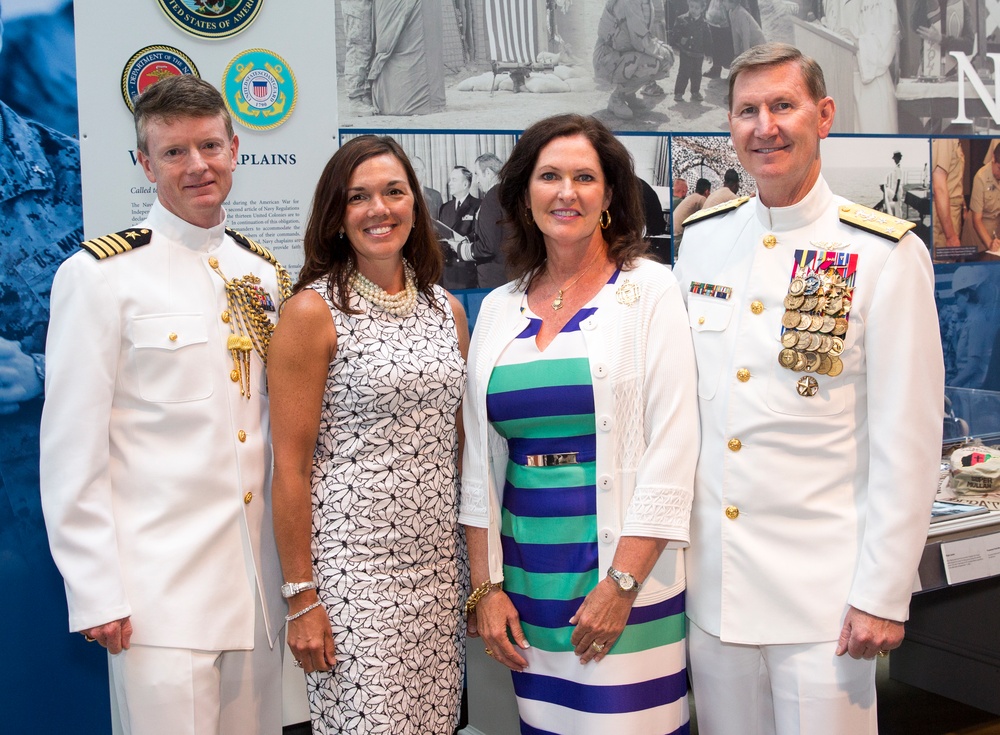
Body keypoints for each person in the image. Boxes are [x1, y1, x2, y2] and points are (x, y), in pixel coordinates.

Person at [674, 43, 944, 734]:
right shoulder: (702, 243)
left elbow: (906, 442)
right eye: (747, 110)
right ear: (731, 127)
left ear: (823, 115)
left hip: (824, 603)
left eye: (783, 105)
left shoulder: (883, 253)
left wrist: (884, 593)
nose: (765, 125)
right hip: (717, 595)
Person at [39, 74, 290, 734]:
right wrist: (97, 588)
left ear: (235, 149)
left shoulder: (262, 275)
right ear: (145, 164)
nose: (197, 165)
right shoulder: (100, 277)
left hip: (259, 595)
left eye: (209, 145)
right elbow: (71, 450)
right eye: (174, 152)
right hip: (158, 600)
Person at [460, 113, 699, 734]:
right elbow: (479, 465)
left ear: (609, 195)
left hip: (624, 578)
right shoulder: (497, 308)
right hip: (527, 586)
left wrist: (621, 584)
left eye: (584, 177)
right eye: (550, 176)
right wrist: (486, 588)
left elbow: (675, 444)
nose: (566, 192)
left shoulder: (649, 290)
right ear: (523, 193)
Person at [268, 134, 469, 734]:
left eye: (393, 192)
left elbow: (455, 449)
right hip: (352, 578)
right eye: (358, 197)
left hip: (436, 572)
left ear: (415, 204)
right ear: (336, 214)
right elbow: (291, 468)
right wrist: (302, 595)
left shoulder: (446, 310)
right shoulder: (311, 313)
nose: (379, 209)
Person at [593, 0, 675, 119]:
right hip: (606, 58)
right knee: (656, 63)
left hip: (623, 52)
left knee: (662, 59)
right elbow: (639, 40)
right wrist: (663, 52)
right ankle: (617, 98)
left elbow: (647, 34)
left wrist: (663, 50)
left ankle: (629, 94)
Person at [470, 151, 509, 289]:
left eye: (477, 174)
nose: (477, 181)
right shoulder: (509, 194)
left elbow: (488, 247)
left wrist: (462, 249)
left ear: (488, 173)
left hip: (493, 280)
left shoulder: (492, 196)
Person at [439, 165, 481, 290]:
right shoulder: (444, 208)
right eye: (450, 179)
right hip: (447, 269)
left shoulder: (478, 205)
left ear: (465, 184)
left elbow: (479, 233)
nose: (450, 183)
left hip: (467, 269)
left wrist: (463, 240)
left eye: (454, 180)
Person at [668, 0, 711, 102]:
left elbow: (708, 40)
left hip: (699, 54)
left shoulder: (704, 24)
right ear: (688, 5)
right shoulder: (681, 19)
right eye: (691, 6)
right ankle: (679, 92)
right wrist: (680, 39)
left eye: (697, 8)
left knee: (697, 73)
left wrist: (709, 53)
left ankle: (695, 92)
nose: (693, 10)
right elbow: (674, 35)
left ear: (702, 9)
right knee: (683, 72)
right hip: (685, 52)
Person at [932, 137, 965, 254]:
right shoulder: (945, 139)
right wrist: (950, 236)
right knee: (944, 265)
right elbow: (939, 187)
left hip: (952, 213)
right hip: (944, 219)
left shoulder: (952, 138)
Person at [342, 0, 374, 116]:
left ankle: (363, 95)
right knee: (357, 47)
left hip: (363, 6)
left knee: (366, 48)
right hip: (356, 8)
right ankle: (355, 100)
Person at [970, 145, 1000, 256]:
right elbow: (976, 220)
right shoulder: (980, 177)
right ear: (993, 158)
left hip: (995, 232)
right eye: (999, 169)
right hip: (978, 234)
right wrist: (989, 243)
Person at [671, 176, 711, 253]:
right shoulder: (701, 199)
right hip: (678, 238)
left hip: (674, 235)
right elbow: (708, 216)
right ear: (706, 191)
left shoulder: (691, 197)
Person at [412, 154, 444, 219]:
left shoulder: (436, 197)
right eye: (410, 171)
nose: (413, 173)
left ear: (423, 172)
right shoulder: (403, 196)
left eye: (416, 170)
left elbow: (441, 225)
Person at [885, 151, 903, 217]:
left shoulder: (898, 168)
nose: (894, 160)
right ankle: (899, 219)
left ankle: (899, 221)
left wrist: (895, 194)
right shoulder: (897, 167)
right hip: (896, 188)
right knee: (897, 206)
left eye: (895, 158)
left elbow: (898, 180)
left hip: (898, 189)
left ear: (897, 158)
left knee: (898, 207)